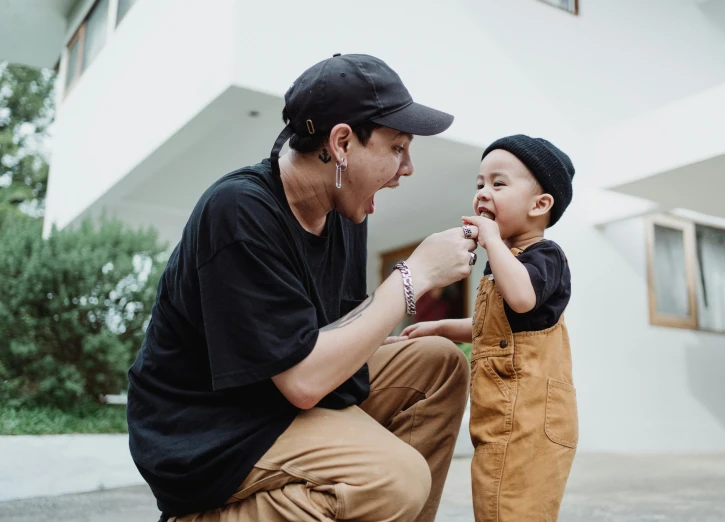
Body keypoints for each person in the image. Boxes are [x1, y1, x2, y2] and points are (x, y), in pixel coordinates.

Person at [126, 54, 480, 522]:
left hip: (278, 400)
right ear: (341, 143)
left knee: (437, 364)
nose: (408, 167)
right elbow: (303, 381)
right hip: (213, 431)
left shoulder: (345, 213)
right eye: (397, 147)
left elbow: (337, 338)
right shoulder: (239, 211)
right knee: (395, 478)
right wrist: (413, 277)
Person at [402, 134, 579, 521]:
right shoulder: (504, 262)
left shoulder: (544, 256)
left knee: (512, 504)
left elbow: (521, 300)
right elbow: (492, 328)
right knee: (494, 498)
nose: (483, 193)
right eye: (479, 184)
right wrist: (442, 328)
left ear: (541, 204)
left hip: (530, 419)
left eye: (499, 184)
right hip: (501, 416)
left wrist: (494, 242)